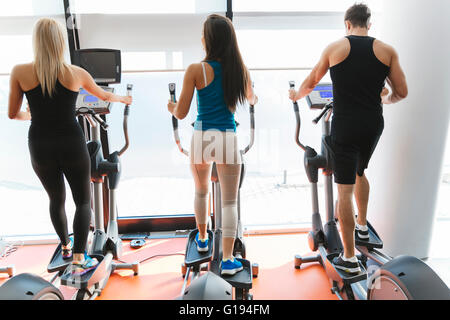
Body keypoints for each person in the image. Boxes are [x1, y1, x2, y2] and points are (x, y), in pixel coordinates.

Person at [289, 3, 408, 274]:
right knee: (360, 171)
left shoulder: (335, 48)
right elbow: (401, 92)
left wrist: (296, 95)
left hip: (345, 125)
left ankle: (350, 258)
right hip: (373, 125)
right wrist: (384, 99)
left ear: (347, 24)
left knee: (343, 190)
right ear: (369, 24)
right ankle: (362, 227)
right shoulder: (387, 51)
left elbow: (310, 81)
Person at [8, 18, 132, 276]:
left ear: (36, 42)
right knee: (83, 201)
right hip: (71, 143)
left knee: (56, 199)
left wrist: (30, 115)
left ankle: (65, 246)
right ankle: (78, 257)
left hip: (40, 144)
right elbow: (105, 96)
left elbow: (13, 114)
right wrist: (123, 98)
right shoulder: (76, 73)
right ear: (60, 42)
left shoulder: (20, 72)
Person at [167, 14, 257, 276]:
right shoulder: (240, 69)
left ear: (208, 39)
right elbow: (252, 99)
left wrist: (170, 106)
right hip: (228, 136)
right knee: (229, 203)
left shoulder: (196, 70)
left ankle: (204, 239)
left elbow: (181, 112)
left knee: (202, 191)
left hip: (202, 136)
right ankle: (228, 260)